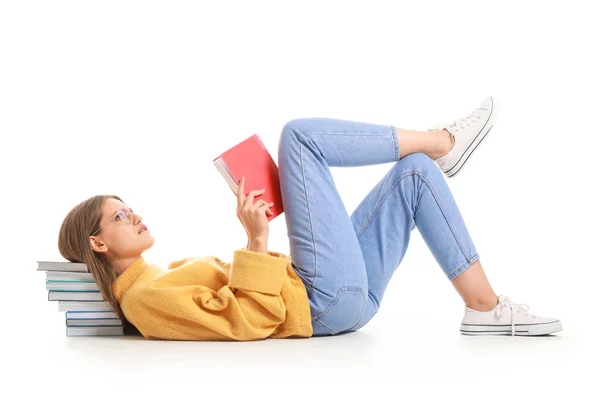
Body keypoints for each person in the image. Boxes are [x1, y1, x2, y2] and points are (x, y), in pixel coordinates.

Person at [57, 97, 562, 341]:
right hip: (320, 303)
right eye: (120, 215)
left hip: (336, 298)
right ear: (99, 244)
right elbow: (244, 321)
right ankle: (444, 140)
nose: (135, 214)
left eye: (128, 207)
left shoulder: (157, 277)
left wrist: (260, 236)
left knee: (413, 173)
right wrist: (256, 237)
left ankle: (485, 308)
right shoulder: (145, 299)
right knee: (299, 136)